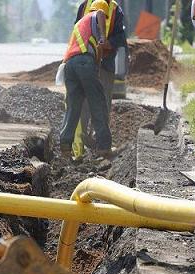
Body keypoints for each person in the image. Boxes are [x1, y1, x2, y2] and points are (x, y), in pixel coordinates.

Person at [72, 0, 127, 159]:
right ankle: (79, 148)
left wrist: (108, 44)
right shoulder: (84, 6)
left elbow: (120, 37)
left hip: (105, 65)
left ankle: (102, 147)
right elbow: (76, 30)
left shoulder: (115, 9)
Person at [59, 0, 113, 159]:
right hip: (83, 62)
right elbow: (101, 14)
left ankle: (65, 146)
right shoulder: (95, 15)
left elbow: (96, 56)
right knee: (98, 102)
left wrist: (96, 66)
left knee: (73, 107)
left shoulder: (81, 26)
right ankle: (104, 147)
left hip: (70, 66)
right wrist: (103, 37)